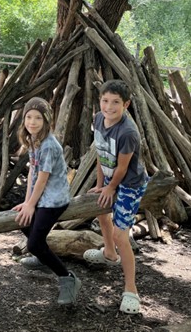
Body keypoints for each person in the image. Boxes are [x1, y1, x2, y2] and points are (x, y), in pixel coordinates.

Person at [83, 80, 149, 314]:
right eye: (105, 100)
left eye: (115, 102)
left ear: (126, 104)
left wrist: (111, 188)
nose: (109, 107)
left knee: (122, 235)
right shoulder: (98, 119)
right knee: (102, 214)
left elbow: (122, 167)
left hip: (129, 184)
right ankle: (109, 254)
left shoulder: (128, 132)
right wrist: (101, 185)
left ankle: (131, 289)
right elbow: (101, 153)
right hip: (110, 180)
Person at [12, 97, 81, 306]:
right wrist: (26, 202)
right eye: (29, 117)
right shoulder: (34, 139)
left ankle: (67, 278)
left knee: (33, 243)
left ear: (47, 121)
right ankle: (43, 258)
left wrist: (32, 204)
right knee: (23, 221)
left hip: (54, 199)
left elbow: (43, 178)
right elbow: (33, 170)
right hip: (41, 197)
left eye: (38, 118)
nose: (32, 122)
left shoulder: (49, 145)